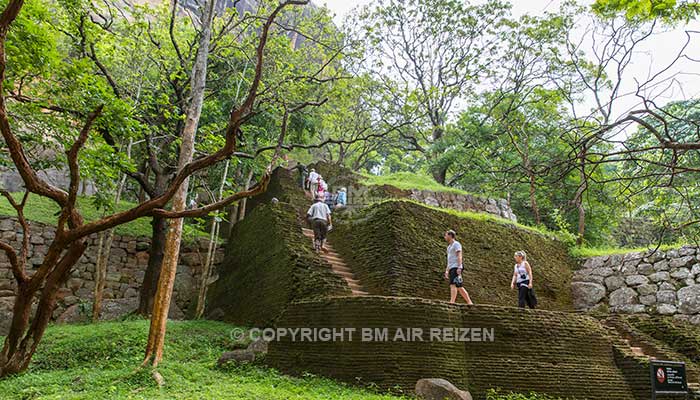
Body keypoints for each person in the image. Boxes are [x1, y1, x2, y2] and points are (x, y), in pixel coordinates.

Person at [443, 230, 473, 305]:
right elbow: (449, 260)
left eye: (446, 235)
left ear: (450, 236)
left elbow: (459, 255)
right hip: (451, 267)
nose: (445, 237)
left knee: (453, 284)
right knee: (458, 286)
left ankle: (452, 302)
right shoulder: (449, 247)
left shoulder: (456, 244)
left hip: (456, 267)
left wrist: (459, 267)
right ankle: (469, 302)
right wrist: (447, 270)